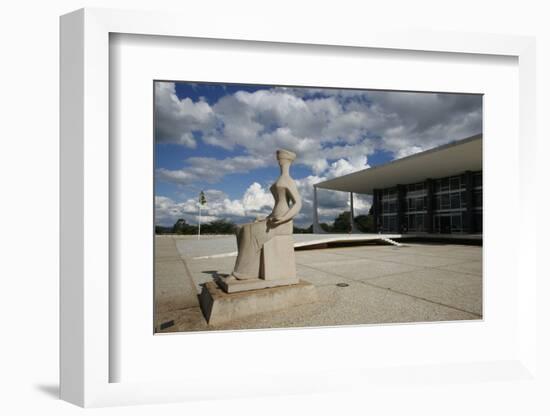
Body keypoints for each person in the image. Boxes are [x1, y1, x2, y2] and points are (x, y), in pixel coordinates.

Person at [231, 149, 302, 280]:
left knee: (249, 232)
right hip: (273, 219)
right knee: (239, 228)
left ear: (288, 160)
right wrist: (265, 218)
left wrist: (283, 219)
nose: (279, 160)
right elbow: (277, 206)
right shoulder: (280, 179)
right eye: (278, 158)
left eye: (281, 158)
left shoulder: (289, 180)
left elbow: (298, 204)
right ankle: (251, 269)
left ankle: (241, 273)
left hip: (282, 222)